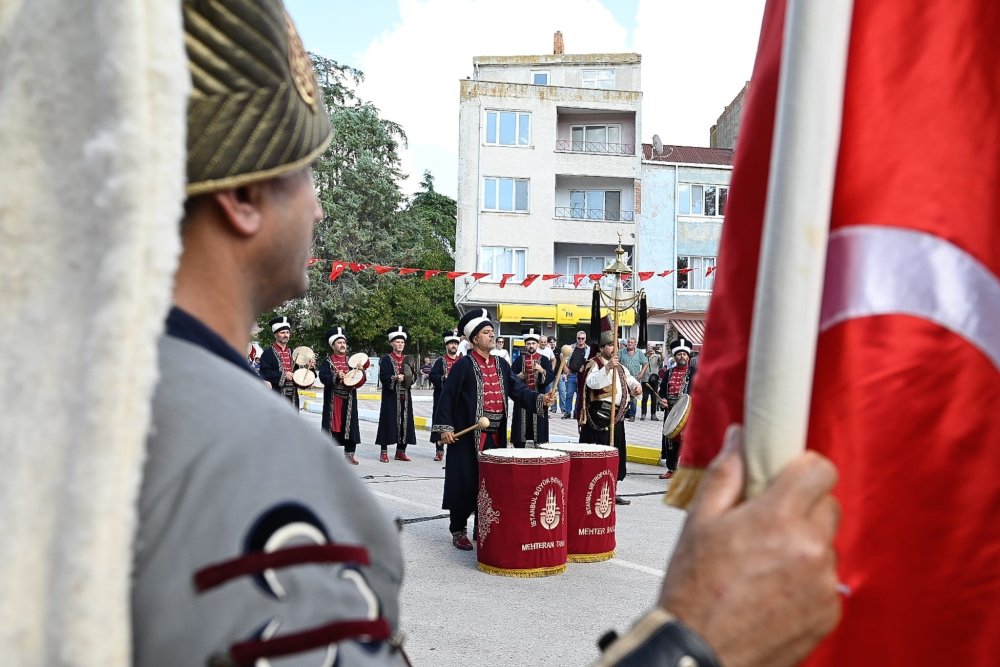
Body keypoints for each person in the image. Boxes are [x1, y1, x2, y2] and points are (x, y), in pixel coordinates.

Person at [132, 2, 407, 664]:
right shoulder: (251, 448)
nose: (317, 205)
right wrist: (678, 638)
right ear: (244, 195)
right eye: (305, 171)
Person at [433, 310, 555, 550]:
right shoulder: (463, 366)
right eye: (487, 333)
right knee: (465, 482)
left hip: (496, 435)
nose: (492, 336)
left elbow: (517, 390)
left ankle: (483, 526)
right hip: (468, 436)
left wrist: (540, 400)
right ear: (474, 338)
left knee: (490, 482)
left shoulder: (501, 363)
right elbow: (447, 398)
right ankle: (458, 529)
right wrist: (444, 429)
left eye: (491, 332)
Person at [579, 317, 643, 505]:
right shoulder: (594, 364)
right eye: (609, 346)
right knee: (598, 457)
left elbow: (629, 380)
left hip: (617, 418)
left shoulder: (621, 367)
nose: (612, 349)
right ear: (601, 347)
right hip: (599, 419)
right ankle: (592, 491)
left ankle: (611, 491)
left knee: (615, 456)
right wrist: (607, 367)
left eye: (614, 345)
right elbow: (591, 383)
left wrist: (637, 388)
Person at [318, 325, 362, 465]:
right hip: (333, 399)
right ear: (333, 345)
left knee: (350, 426)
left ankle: (349, 455)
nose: (342, 345)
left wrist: (360, 372)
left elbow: (359, 380)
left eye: (344, 342)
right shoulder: (327, 362)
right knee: (331, 426)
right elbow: (323, 378)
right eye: (339, 342)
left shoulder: (352, 362)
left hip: (349, 399)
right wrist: (336, 376)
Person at [375, 326, 417, 463]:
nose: (400, 344)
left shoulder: (408, 359)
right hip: (391, 397)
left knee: (405, 424)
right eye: (397, 342)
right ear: (392, 343)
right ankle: (384, 452)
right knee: (387, 422)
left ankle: (401, 452)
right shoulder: (386, 359)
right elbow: (384, 376)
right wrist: (394, 378)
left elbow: (414, 376)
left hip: (405, 396)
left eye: (402, 342)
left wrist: (408, 378)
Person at [658, 337, 697, 480]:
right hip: (671, 412)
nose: (682, 357)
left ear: (688, 356)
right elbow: (662, 391)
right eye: (679, 354)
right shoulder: (669, 372)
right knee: (671, 442)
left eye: (684, 354)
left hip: (689, 412)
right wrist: (662, 400)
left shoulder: (695, 372)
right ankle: (672, 469)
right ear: (675, 357)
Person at [510, 327, 555, 448]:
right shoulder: (519, 360)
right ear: (525, 345)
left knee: (539, 424)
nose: (531, 345)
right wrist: (518, 376)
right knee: (521, 425)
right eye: (528, 343)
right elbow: (510, 377)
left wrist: (542, 371)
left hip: (539, 395)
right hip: (522, 397)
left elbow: (551, 376)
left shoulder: (544, 359)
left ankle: (539, 443)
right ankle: (520, 445)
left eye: (533, 343)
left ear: (537, 344)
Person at [428, 329, 461, 462]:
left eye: (455, 343)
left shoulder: (462, 360)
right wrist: (444, 378)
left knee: (458, 423)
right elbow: (433, 376)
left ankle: (456, 450)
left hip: (458, 399)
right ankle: (439, 450)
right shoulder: (440, 361)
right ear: (447, 345)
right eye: (451, 343)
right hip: (442, 397)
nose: (454, 346)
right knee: (441, 422)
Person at [258, 316, 301, 408]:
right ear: (275, 335)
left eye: (287, 332)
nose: (286, 335)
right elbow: (264, 373)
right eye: (282, 332)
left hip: (293, 397)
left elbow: (299, 375)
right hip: (275, 396)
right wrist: (283, 375)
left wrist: (310, 367)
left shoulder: (294, 353)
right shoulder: (268, 353)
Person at [618, 337, 648, 422]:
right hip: (624, 378)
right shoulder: (621, 352)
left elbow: (645, 363)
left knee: (634, 397)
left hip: (635, 378)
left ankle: (632, 415)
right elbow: (617, 362)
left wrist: (642, 372)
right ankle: (622, 414)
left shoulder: (639, 353)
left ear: (635, 344)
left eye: (632, 342)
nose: (630, 343)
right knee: (623, 396)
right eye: (629, 342)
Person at [564, 329, 592, 419]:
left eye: (582, 338)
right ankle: (567, 412)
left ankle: (576, 413)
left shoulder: (588, 349)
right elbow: (562, 356)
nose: (580, 340)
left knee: (580, 395)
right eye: (579, 338)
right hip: (571, 374)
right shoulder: (570, 348)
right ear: (576, 338)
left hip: (582, 376)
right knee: (569, 394)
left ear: (585, 339)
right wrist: (565, 367)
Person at [640, 343, 662, 421]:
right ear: (647, 348)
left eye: (653, 347)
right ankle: (643, 414)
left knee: (654, 398)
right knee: (645, 397)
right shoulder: (643, 356)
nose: (651, 348)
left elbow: (662, 360)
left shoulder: (657, 356)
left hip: (654, 380)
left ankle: (653, 415)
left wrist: (661, 352)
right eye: (650, 347)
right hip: (645, 379)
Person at [537, 334, 558, 413]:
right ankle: (538, 407)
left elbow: (553, 359)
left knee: (548, 391)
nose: (543, 343)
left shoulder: (549, 350)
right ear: (539, 342)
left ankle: (546, 410)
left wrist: (551, 370)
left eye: (544, 342)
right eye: (541, 342)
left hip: (547, 374)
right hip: (538, 374)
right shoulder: (536, 349)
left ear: (546, 343)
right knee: (539, 392)